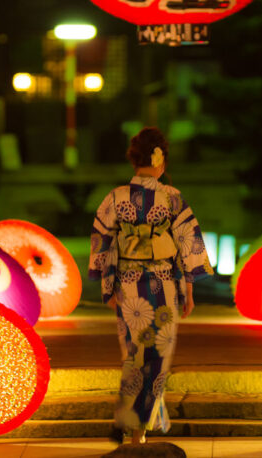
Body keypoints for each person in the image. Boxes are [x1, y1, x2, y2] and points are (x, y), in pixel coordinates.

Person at [88, 127, 213, 445]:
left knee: (134, 353)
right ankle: (137, 429)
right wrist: (189, 288)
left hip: (127, 286)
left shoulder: (114, 198)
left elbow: (101, 244)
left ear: (135, 162)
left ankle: (137, 424)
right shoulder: (172, 197)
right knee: (157, 354)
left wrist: (108, 287)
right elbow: (188, 243)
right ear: (161, 162)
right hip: (162, 284)